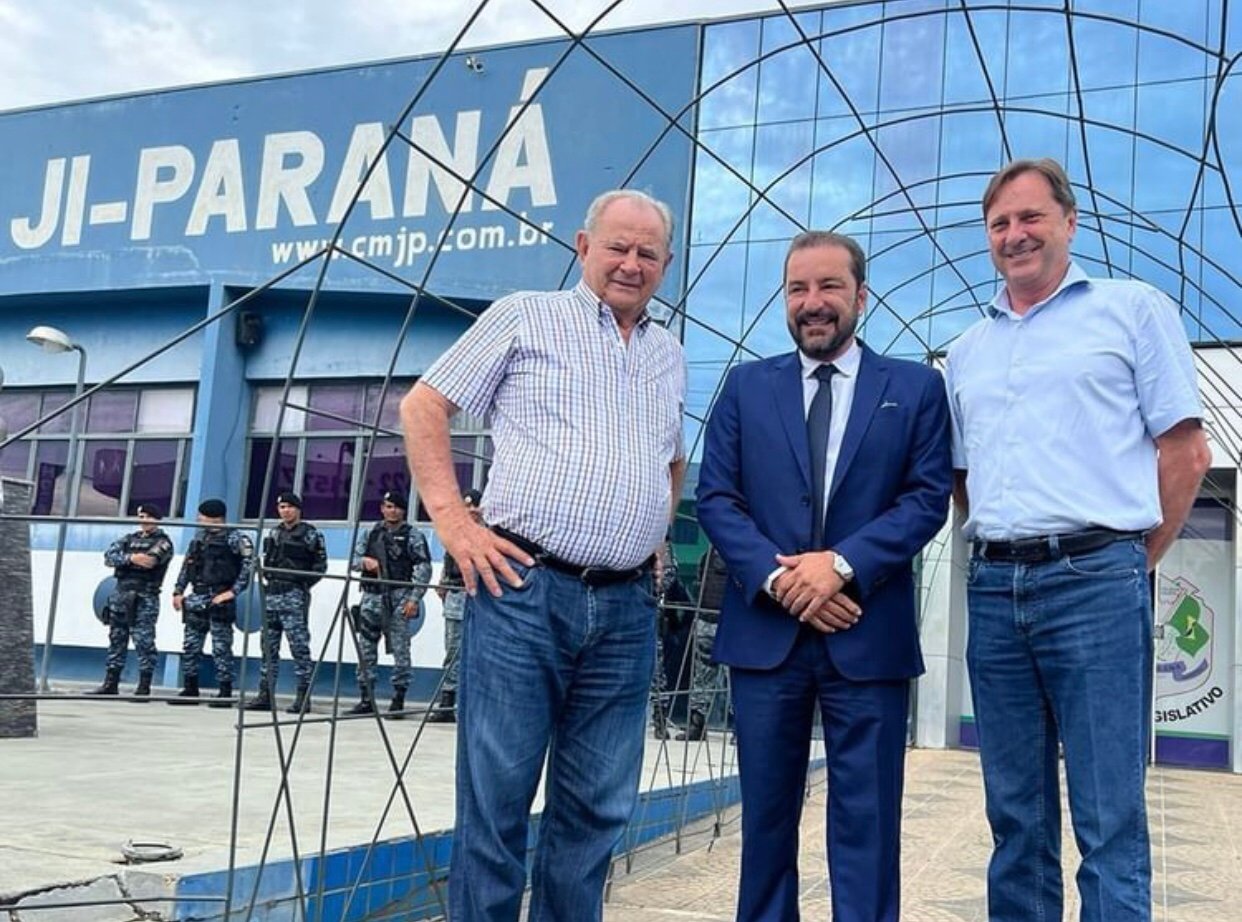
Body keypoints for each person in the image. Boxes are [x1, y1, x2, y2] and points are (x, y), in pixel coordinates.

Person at [400, 188, 687, 921]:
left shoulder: (669, 353)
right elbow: (424, 405)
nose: (631, 264)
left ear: (666, 264)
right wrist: (455, 524)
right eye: (617, 247)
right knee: (498, 798)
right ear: (583, 248)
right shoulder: (526, 316)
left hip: (625, 607)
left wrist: (653, 538)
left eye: (647, 253)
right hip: (523, 589)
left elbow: (671, 460)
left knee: (595, 807)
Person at [945, 158, 1211, 922]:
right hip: (995, 591)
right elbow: (964, 478)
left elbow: (1186, 452)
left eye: (1030, 217)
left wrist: (1129, 559)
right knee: (1015, 820)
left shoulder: (1132, 310)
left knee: (1109, 819)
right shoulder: (966, 350)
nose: (1015, 234)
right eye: (1000, 223)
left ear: (1070, 221)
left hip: (1096, 581)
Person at [696, 230, 953, 922]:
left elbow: (926, 498)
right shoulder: (745, 386)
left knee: (869, 823)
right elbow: (717, 498)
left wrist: (840, 567)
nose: (813, 302)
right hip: (766, 636)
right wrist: (783, 582)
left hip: (867, 633)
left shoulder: (916, 388)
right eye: (798, 288)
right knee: (764, 822)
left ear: (861, 296)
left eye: (829, 286)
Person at [347, 490, 432, 717]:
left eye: (395, 507)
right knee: (365, 648)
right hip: (371, 596)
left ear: (403, 510)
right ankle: (366, 698)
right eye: (387, 506)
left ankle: (398, 698)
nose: (391, 511)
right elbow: (353, 561)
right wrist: (364, 562)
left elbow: (423, 567)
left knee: (400, 648)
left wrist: (414, 599)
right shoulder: (371, 533)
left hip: (398, 596)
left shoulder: (412, 535)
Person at [245, 491, 327, 714]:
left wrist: (300, 584)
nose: (286, 511)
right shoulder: (274, 533)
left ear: (298, 509)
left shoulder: (311, 534)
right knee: (268, 648)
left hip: (293, 596)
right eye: (282, 507)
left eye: (290, 507)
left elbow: (320, 567)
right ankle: (265, 694)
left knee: (299, 647)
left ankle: (303, 697)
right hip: (271, 595)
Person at [169, 498, 256, 707]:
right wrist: (178, 591)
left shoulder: (236, 539)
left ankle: (225, 692)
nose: (199, 520)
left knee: (221, 647)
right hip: (196, 598)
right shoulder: (199, 539)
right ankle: (190, 688)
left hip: (219, 598)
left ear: (214, 518)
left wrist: (232, 592)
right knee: (191, 646)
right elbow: (187, 566)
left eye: (202, 517)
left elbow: (249, 567)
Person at [89, 503, 175, 700]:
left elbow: (150, 561)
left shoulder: (163, 542)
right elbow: (109, 557)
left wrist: (126, 559)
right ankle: (110, 683)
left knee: (144, 641)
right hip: (121, 595)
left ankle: (144, 686)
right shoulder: (129, 539)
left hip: (145, 597)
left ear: (156, 519)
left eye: (147, 517)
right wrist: (132, 558)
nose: (143, 521)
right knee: (116, 639)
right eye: (141, 516)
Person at [427, 488, 482, 724]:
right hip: (456, 597)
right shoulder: (454, 534)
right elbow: (448, 564)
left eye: (475, 505)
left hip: (481, 600)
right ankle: (447, 702)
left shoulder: (490, 534)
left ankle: (471, 705)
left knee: (479, 654)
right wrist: (443, 584)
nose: (471, 510)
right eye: (466, 506)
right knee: (452, 651)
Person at [676, 546, 730, 742]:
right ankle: (699, 725)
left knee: (707, 678)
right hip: (716, 621)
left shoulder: (708, 556)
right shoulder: (713, 556)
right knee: (710, 678)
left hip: (715, 621)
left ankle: (697, 725)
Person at [648, 538, 683, 740]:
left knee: (656, 673)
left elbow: (667, 578)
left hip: (651, 617)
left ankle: (659, 718)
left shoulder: (664, 548)